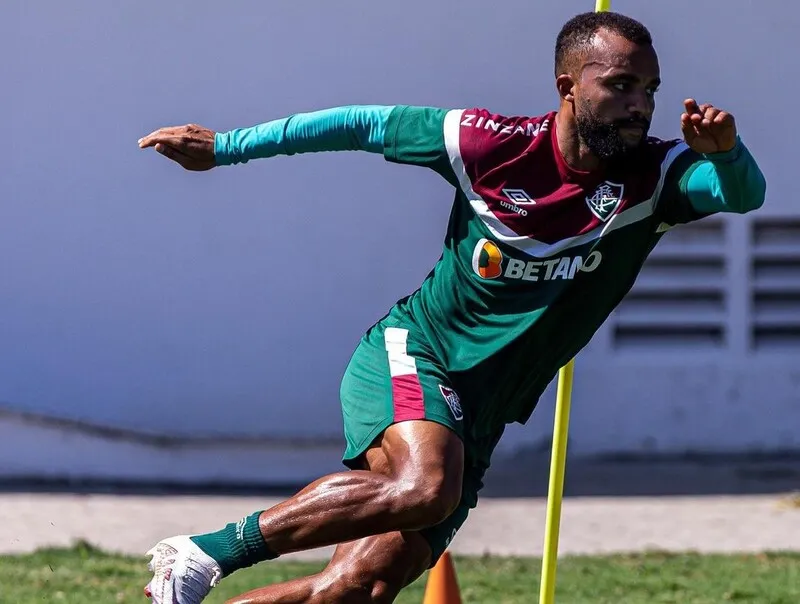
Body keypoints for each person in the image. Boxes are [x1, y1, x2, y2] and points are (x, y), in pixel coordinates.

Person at [137, 10, 766, 604]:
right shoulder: (487, 144)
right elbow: (364, 123)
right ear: (567, 86)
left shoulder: (657, 175)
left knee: (355, 591)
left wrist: (727, 153)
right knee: (424, 487)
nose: (641, 104)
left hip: (482, 415)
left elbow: (742, 195)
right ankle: (203, 552)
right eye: (622, 84)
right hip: (415, 353)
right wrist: (227, 146)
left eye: (651, 88)